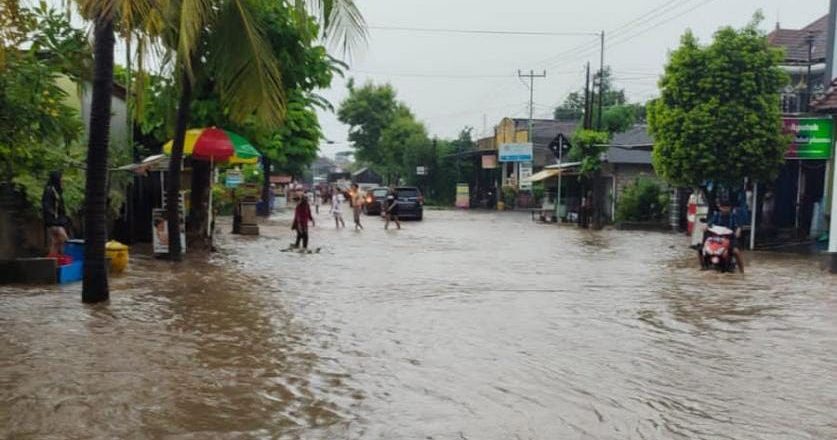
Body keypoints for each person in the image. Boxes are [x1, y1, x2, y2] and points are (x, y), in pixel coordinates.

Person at [701, 197, 745, 273]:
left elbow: (738, 226)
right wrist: (706, 226)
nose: (725, 209)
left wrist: (738, 231)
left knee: (736, 251)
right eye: (723, 207)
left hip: (730, 239)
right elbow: (709, 223)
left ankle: (742, 271)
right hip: (716, 239)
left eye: (727, 207)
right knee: (701, 250)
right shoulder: (716, 216)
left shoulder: (733, 217)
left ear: (730, 208)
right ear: (720, 207)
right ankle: (703, 266)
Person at [42, 171, 69, 258]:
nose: (62, 181)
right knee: (64, 240)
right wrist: (53, 217)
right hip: (53, 221)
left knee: (56, 242)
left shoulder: (56, 190)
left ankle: (51, 260)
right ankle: (66, 258)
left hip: (56, 221)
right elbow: (47, 206)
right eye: (61, 179)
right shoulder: (50, 190)